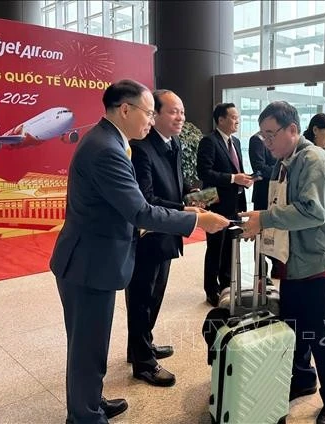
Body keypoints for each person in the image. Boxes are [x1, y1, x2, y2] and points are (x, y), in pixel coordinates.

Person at [49, 79, 229, 423]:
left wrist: (187, 211)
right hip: (88, 264)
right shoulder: (107, 150)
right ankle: (85, 416)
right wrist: (197, 221)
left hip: (94, 258)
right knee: (87, 348)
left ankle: (91, 401)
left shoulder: (113, 141)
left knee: (93, 343)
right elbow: (140, 211)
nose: (151, 119)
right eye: (149, 112)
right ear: (126, 109)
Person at [240, 101, 325, 424]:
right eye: (263, 136)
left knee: (321, 332)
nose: (267, 142)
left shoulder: (313, 160)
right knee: (294, 327)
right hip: (293, 260)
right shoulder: (285, 162)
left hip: (317, 262)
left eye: (271, 134)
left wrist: (265, 218)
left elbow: (312, 211)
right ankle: (302, 379)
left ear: (293, 129)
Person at [125, 89, 199, 387]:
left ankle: (141, 345)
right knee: (141, 298)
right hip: (147, 236)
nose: (180, 117)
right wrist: (183, 208)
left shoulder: (174, 143)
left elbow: (172, 186)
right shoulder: (141, 147)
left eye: (181, 111)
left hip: (168, 232)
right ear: (154, 114)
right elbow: (146, 198)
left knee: (155, 295)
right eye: (173, 111)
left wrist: (189, 197)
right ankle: (143, 363)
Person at [196, 103, 255, 307]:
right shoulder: (208, 141)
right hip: (218, 203)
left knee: (232, 245)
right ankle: (211, 289)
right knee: (216, 247)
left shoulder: (236, 142)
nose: (237, 120)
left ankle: (227, 284)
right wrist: (232, 178)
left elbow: (237, 167)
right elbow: (204, 173)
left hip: (236, 202)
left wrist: (245, 179)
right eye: (233, 117)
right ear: (220, 119)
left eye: (238, 117)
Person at [248, 130, 280, 278]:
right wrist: (281, 171)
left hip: (277, 194)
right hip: (263, 194)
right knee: (260, 233)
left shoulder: (279, 138)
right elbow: (259, 167)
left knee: (277, 231)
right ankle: (261, 273)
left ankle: (277, 266)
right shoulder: (257, 140)